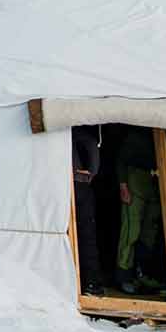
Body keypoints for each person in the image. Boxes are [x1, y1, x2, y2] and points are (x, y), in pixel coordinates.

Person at [116, 127, 163, 294]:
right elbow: (121, 160)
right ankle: (124, 276)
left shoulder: (159, 133)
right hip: (135, 182)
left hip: (155, 184)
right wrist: (123, 186)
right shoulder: (135, 134)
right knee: (131, 231)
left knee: (149, 232)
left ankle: (142, 274)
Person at [72, 126, 106, 296]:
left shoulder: (68, 133)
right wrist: (91, 171)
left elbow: (91, 144)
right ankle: (91, 283)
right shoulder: (78, 133)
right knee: (86, 234)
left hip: (71, 184)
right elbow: (91, 144)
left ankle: (83, 282)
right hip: (79, 184)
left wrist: (90, 171)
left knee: (81, 234)